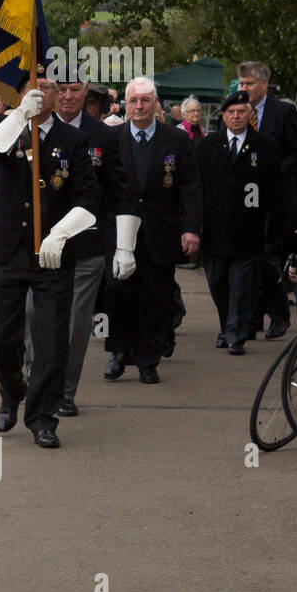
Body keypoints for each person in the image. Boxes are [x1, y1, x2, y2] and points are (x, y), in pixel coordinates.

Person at [0, 73, 99, 447]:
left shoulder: (73, 140)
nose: (40, 94)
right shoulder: (7, 133)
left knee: (52, 340)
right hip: (7, 251)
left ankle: (43, 416)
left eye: (48, 88)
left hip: (52, 256)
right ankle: (12, 390)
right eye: (32, 87)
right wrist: (17, 118)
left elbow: (89, 198)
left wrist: (61, 232)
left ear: (58, 96)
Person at [103, 76, 200, 384]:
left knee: (156, 297)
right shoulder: (112, 139)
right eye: (133, 100)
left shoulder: (177, 140)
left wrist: (191, 229)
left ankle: (148, 359)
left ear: (156, 103)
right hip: (120, 232)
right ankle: (118, 352)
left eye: (146, 100)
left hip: (161, 231)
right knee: (117, 294)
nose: (140, 105)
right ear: (125, 105)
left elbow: (191, 187)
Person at [48, 78, 132, 416]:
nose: (68, 95)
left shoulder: (105, 136)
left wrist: (123, 245)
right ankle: (35, 377)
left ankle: (64, 392)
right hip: (40, 246)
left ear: (87, 94)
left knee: (76, 324)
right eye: (62, 89)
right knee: (32, 320)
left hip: (87, 245)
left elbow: (118, 191)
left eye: (75, 89)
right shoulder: (34, 130)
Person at [196, 89, 284, 354]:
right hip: (213, 230)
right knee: (217, 284)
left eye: (241, 112)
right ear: (223, 116)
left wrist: (275, 228)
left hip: (248, 230)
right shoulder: (206, 147)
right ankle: (227, 327)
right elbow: (195, 188)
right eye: (231, 112)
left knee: (241, 286)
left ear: (250, 115)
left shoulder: (266, 147)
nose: (236, 116)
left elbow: (274, 191)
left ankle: (236, 335)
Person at [236, 61, 297, 339]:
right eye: (241, 84)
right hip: (242, 199)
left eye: (249, 84)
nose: (244, 89)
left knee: (266, 257)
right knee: (247, 260)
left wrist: (272, 171)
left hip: (274, 201)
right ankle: (250, 320)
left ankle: (278, 314)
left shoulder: (283, 112)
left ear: (264, 84)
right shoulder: (235, 111)